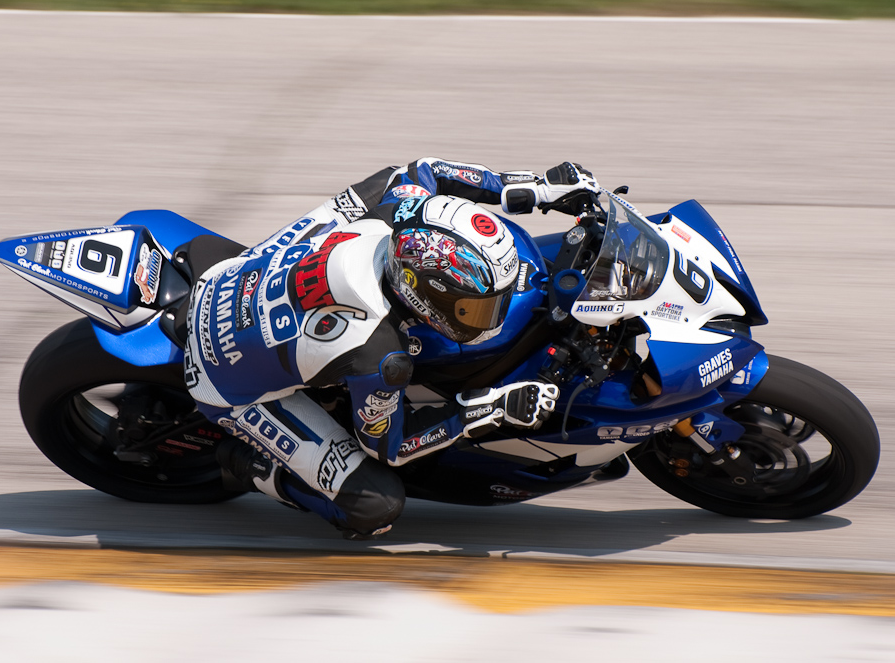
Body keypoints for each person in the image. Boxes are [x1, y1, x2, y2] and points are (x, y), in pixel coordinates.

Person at [183, 158, 601, 538]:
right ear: (420, 292)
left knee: (376, 187)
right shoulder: (380, 355)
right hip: (221, 379)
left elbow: (427, 170)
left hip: (234, 276)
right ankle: (249, 465)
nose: (487, 319)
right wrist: (487, 409)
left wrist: (536, 188)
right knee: (376, 506)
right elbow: (392, 447)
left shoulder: (396, 209)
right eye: (473, 308)